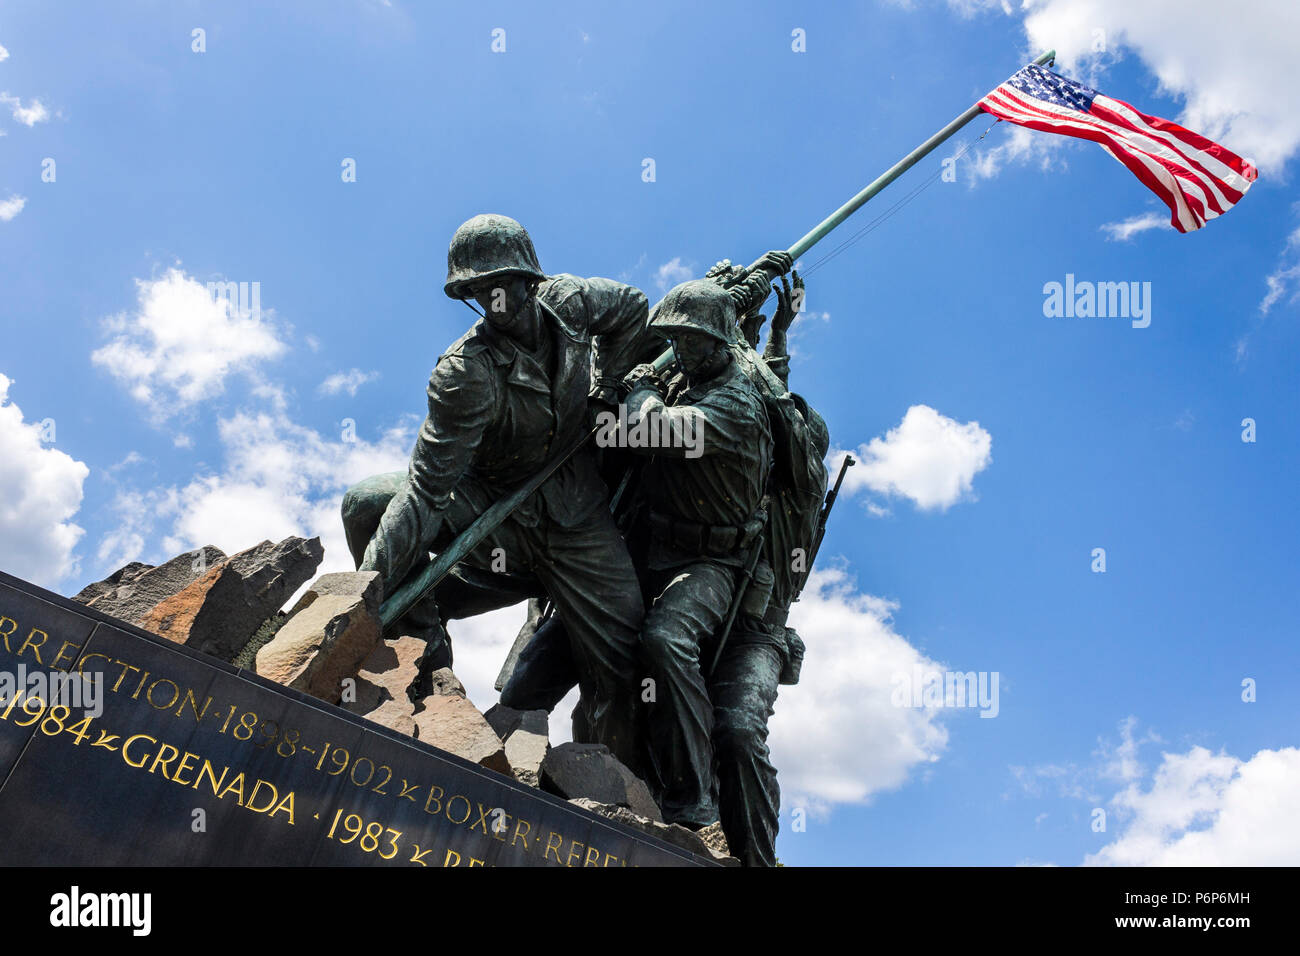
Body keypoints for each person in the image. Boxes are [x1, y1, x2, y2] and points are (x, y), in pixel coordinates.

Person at [341, 213, 648, 769]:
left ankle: (615, 790)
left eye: (501, 284)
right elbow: (427, 492)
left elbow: (633, 308)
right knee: (368, 501)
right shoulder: (465, 373)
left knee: (624, 658)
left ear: (531, 279)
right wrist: (360, 600)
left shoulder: (575, 303)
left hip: (579, 519)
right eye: (478, 291)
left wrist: (609, 387)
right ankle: (427, 673)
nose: (492, 300)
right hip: (495, 511)